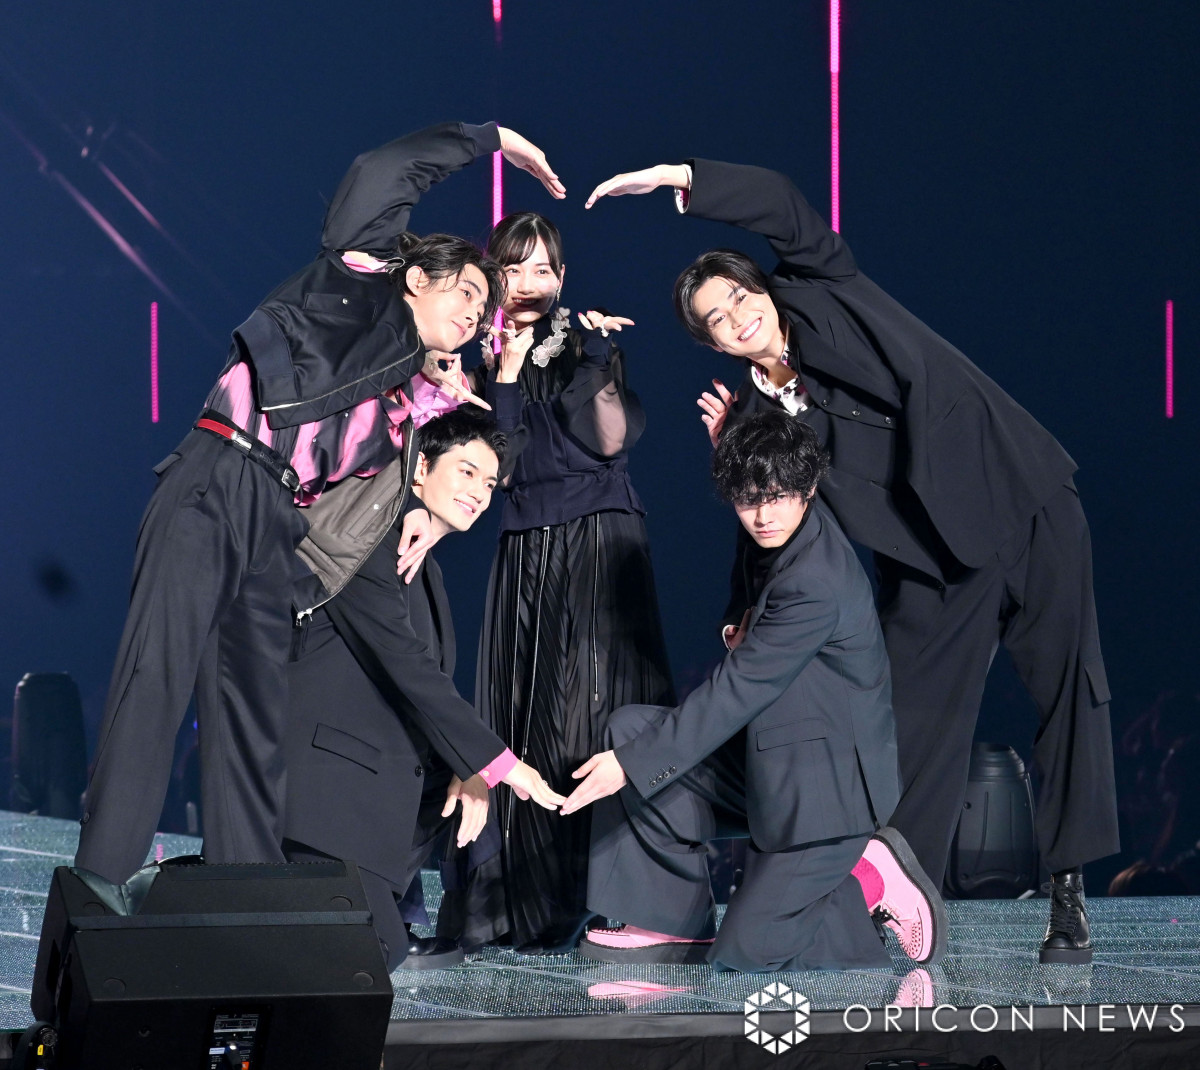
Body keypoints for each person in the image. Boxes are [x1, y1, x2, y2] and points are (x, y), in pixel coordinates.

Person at [584, 156, 1118, 963]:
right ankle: (903, 892)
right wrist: (741, 609)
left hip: (1021, 498)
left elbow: (785, 208)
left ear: (763, 290)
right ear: (711, 342)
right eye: (717, 319)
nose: (737, 317)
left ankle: (1069, 891)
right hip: (934, 564)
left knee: (1069, 690)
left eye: (740, 297)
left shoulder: (824, 294)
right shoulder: (758, 417)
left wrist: (684, 178)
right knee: (909, 725)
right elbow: (771, 524)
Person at [74, 120, 562, 887]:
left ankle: (244, 909)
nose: (476, 313)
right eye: (468, 291)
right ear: (415, 278)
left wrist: (426, 509)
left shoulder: (407, 405)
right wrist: (490, 139)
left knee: (252, 724)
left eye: (483, 308)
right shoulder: (355, 285)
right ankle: (99, 884)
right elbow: (382, 172)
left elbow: (474, 462)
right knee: (156, 679)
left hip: (275, 524)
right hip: (219, 475)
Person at [560, 410, 945, 972]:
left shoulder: (816, 581)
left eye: (776, 497)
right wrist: (737, 453)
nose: (763, 516)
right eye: (747, 499)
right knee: (630, 730)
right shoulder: (785, 527)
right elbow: (755, 566)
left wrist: (631, 765)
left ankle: (870, 877)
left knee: (744, 956)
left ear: (808, 488)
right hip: (772, 751)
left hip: (826, 789)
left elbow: (736, 690)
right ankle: (671, 921)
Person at [442, 212, 676, 955]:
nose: (527, 284)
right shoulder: (479, 357)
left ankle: (605, 901)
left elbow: (608, 439)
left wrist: (599, 356)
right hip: (525, 550)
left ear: (563, 277)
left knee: (587, 715)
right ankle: (515, 904)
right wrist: (504, 377)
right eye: (511, 270)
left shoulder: (583, 341)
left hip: (596, 544)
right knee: (521, 717)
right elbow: (500, 467)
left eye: (542, 269)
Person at [282, 410, 564, 970]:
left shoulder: (423, 565)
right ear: (419, 471)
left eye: (489, 483)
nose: (479, 492)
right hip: (324, 795)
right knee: (367, 956)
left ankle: (391, 899)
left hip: (365, 791)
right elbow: (408, 668)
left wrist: (467, 769)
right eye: (465, 472)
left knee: (456, 794)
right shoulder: (371, 542)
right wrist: (495, 761)